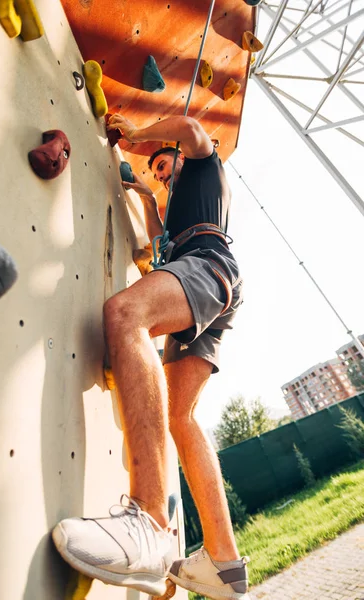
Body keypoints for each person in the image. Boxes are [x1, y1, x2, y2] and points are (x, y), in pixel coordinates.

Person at [52, 114, 250, 600]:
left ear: (181, 156)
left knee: (125, 314)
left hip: (206, 265)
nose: (161, 174)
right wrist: (142, 192)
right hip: (211, 280)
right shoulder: (173, 203)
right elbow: (157, 239)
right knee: (180, 416)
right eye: (158, 172)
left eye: (165, 166)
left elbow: (188, 126)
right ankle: (223, 563)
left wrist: (136, 137)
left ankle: (149, 519)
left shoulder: (205, 168)